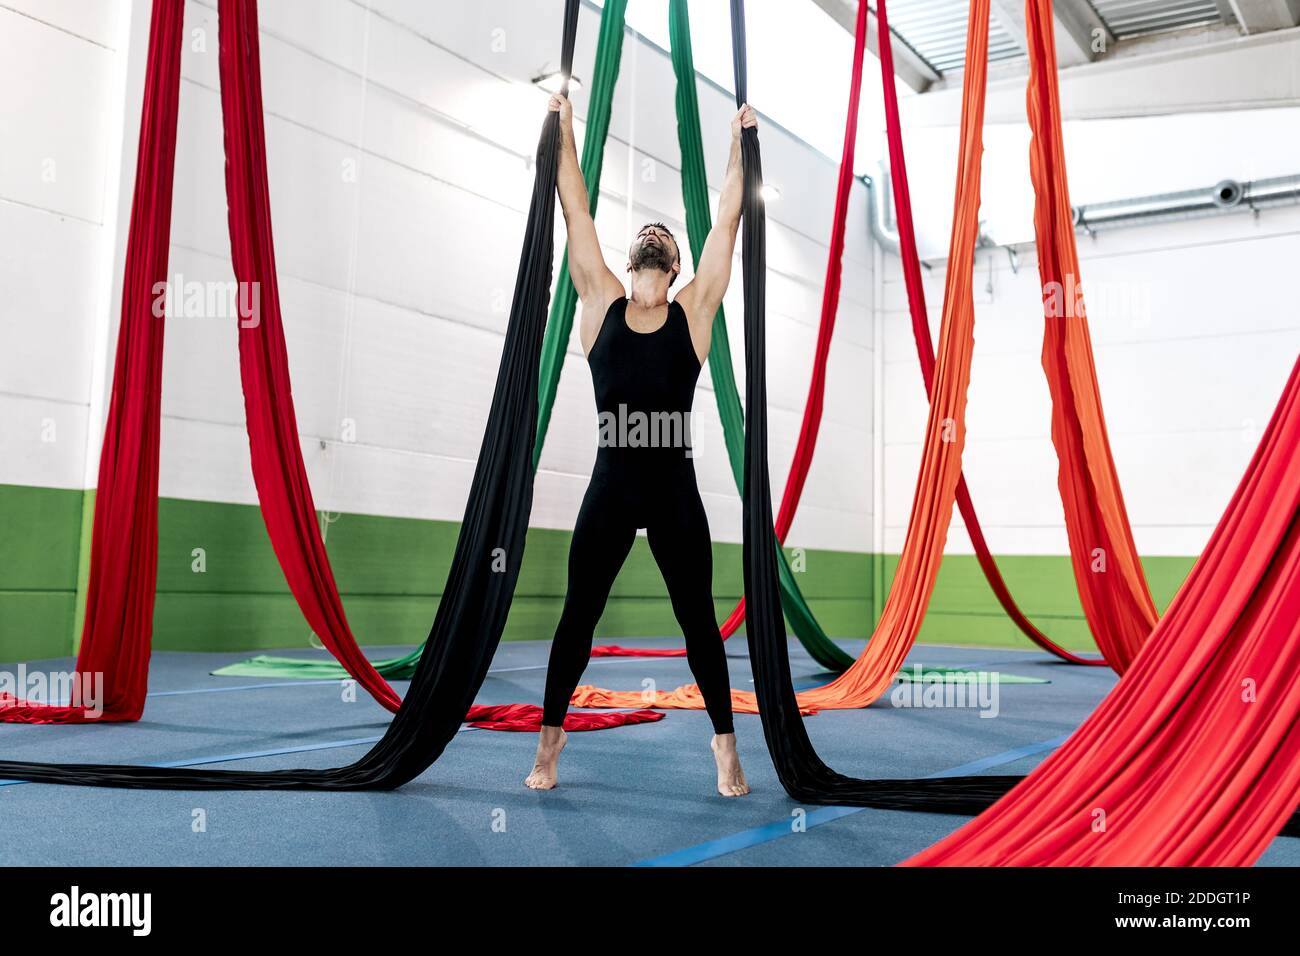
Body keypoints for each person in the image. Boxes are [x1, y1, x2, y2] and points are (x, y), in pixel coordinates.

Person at [524, 93, 757, 797]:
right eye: (646, 231)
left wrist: (739, 143)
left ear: (675, 260)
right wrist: (564, 126)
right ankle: (548, 746)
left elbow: (727, 217)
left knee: (698, 625)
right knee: (578, 617)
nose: (654, 234)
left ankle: (725, 750)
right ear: (632, 259)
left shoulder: (695, 310)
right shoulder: (598, 302)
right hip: (612, 490)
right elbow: (576, 208)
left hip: (675, 492)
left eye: (664, 233)